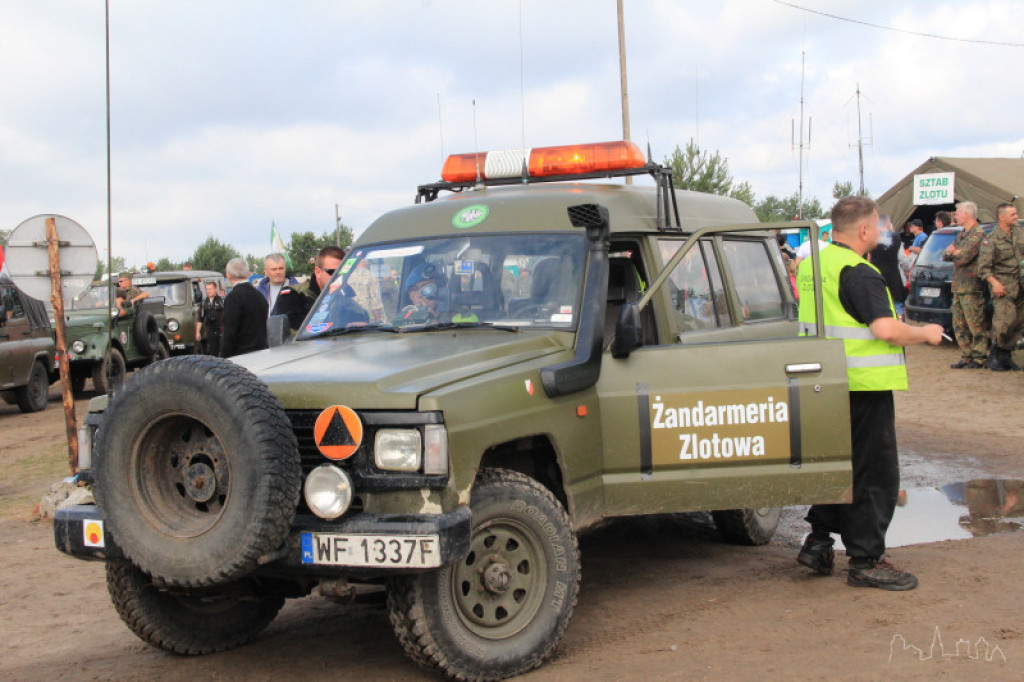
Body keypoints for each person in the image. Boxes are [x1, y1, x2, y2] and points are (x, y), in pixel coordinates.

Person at [796, 196, 942, 591]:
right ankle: (865, 560)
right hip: (862, 386)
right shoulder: (860, 271)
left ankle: (819, 541)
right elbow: (886, 329)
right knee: (874, 473)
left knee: (838, 463)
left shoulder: (812, 265)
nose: (881, 232)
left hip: (823, 383)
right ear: (863, 230)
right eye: (877, 225)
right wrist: (926, 333)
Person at [977, 203, 1024, 371]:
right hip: (1003, 288)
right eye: (1013, 214)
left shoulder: (1020, 234)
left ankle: (1006, 356)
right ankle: (995, 354)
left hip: (1021, 287)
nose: (1016, 216)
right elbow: (983, 268)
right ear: (1002, 217)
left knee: (1018, 323)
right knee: (1004, 322)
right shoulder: (992, 240)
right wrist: (995, 283)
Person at [942, 201, 989, 369]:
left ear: (967, 215)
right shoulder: (962, 234)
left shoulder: (978, 235)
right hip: (958, 286)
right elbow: (945, 254)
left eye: (957, 214)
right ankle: (966, 356)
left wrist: (955, 252)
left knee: (975, 324)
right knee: (959, 324)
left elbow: (964, 258)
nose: (955, 217)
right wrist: (953, 252)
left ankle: (979, 357)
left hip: (972, 287)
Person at [273, 245, 346, 332]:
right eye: (333, 272)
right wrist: (329, 299)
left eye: (342, 273)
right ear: (318, 272)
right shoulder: (293, 295)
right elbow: (306, 328)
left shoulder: (344, 296)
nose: (338, 277)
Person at [221, 257, 268, 358]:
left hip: (241, 357)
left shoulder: (233, 298)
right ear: (248, 274)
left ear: (228, 275)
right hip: (262, 354)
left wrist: (225, 358)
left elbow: (230, 332)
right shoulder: (259, 295)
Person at [868, 214, 908, 317]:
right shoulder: (896, 237)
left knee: (878, 307)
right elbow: (902, 259)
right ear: (887, 223)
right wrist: (907, 270)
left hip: (875, 277)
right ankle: (899, 329)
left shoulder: (871, 239)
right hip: (893, 278)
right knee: (897, 307)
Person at [196, 280, 225, 357]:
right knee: (213, 352)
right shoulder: (204, 303)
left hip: (221, 330)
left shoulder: (221, 301)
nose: (209, 291)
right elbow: (200, 318)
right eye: (207, 289)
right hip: (211, 331)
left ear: (216, 289)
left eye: (211, 289)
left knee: (223, 351)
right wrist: (197, 332)